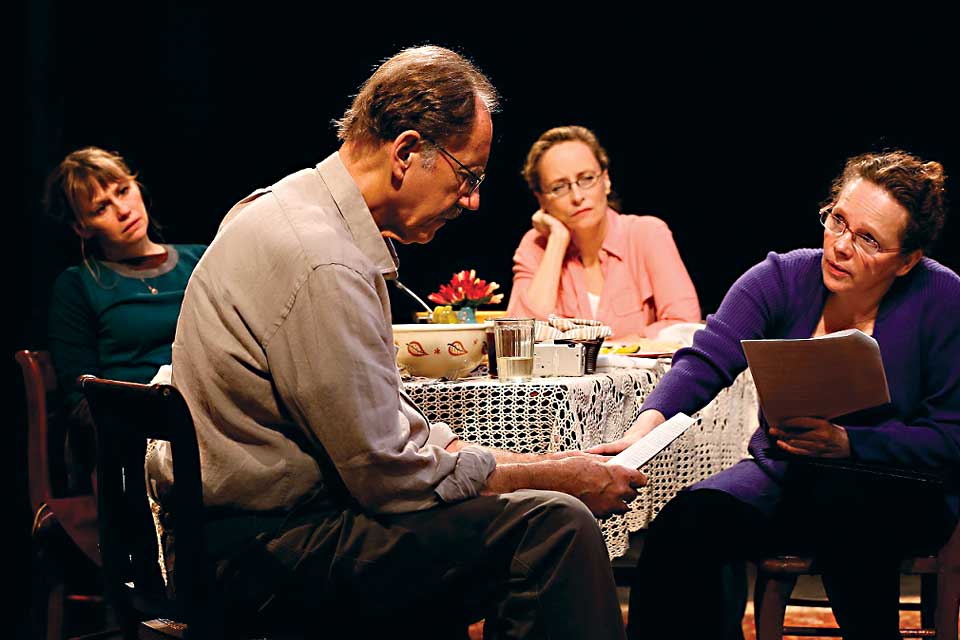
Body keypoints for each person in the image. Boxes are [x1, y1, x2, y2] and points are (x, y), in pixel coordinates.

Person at [147, 46, 645, 639]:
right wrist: (555, 479)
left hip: (248, 533)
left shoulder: (281, 206)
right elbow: (389, 475)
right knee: (554, 529)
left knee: (521, 510)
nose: (473, 200)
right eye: (468, 176)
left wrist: (543, 463)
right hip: (259, 555)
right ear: (407, 151)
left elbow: (393, 437)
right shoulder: (324, 258)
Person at [590, 150, 960, 639]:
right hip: (792, 476)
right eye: (838, 221)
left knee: (848, 510)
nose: (840, 246)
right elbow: (706, 358)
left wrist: (849, 445)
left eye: (868, 240)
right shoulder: (784, 277)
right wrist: (643, 431)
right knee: (688, 520)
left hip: (903, 487)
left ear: (906, 261)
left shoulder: (942, 299)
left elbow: (949, 442)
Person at [44, 147, 206, 492]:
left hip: (214, 410)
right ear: (82, 227)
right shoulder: (79, 284)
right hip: (137, 435)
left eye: (122, 191)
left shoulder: (201, 260)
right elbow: (82, 397)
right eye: (101, 207)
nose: (122, 210)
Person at [506, 125, 700, 339]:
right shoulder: (536, 245)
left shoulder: (646, 233)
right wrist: (557, 241)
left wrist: (619, 347)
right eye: (558, 187)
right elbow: (518, 337)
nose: (577, 196)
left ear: (605, 180)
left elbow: (684, 325)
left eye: (587, 179)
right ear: (541, 198)